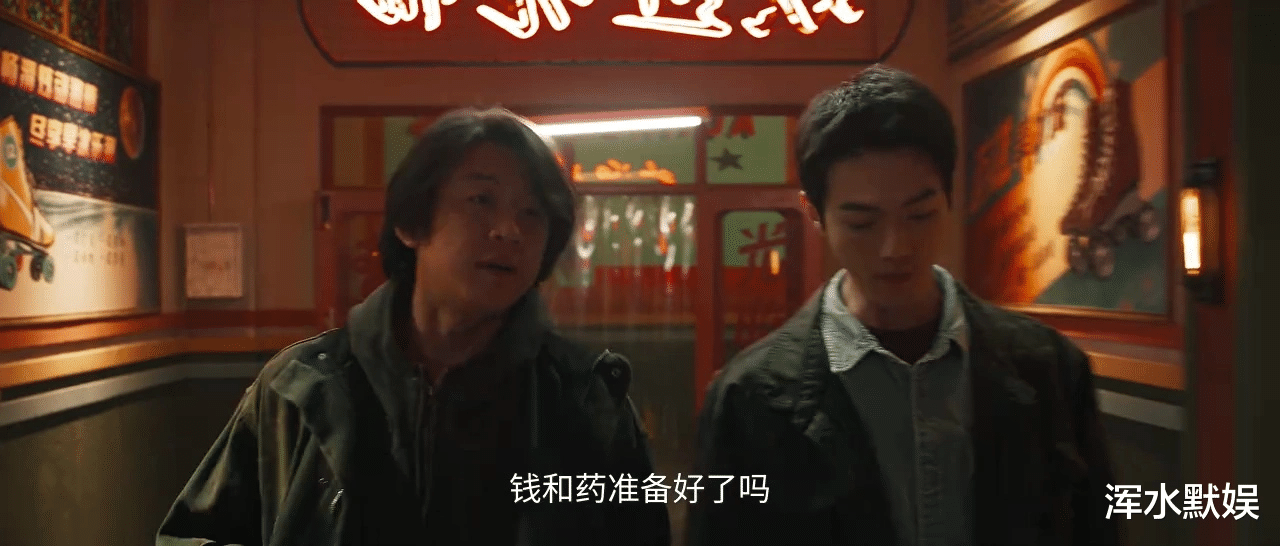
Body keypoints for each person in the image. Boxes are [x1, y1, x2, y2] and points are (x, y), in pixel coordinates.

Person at [157, 108, 671, 546]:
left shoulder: (585, 401)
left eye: (533, 214)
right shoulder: (300, 388)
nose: (509, 230)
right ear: (410, 223)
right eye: (482, 200)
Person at [685, 66, 1122, 546]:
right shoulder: (748, 398)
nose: (894, 248)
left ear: (950, 199)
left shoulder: (1051, 370)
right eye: (862, 223)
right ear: (815, 215)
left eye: (919, 215)